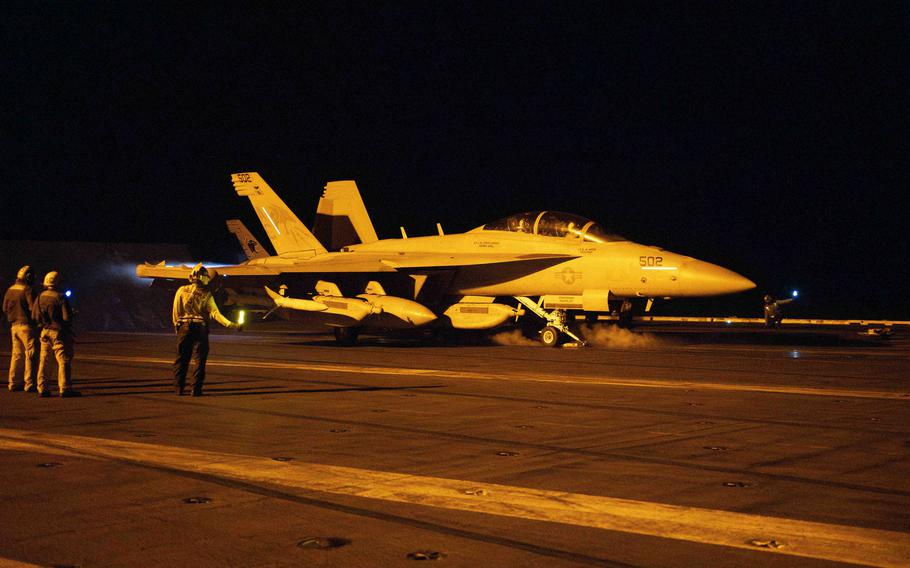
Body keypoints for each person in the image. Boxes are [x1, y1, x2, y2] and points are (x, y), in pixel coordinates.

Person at [172, 264, 241, 396]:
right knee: (200, 360)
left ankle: (178, 388)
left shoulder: (181, 290)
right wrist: (232, 325)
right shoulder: (207, 294)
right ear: (203, 278)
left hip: (184, 327)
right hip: (200, 328)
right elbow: (216, 314)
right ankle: (196, 389)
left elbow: (176, 311)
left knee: (181, 359)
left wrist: (177, 327)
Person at [32, 271, 79, 397]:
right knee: (63, 360)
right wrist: (72, 313)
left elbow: (34, 316)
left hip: (45, 332)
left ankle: (43, 388)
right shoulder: (60, 297)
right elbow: (67, 318)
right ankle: (65, 388)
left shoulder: (40, 296)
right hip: (58, 332)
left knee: (45, 360)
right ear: (58, 283)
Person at [4, 266, 37, 392]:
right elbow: (33, 309)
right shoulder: (28, 290)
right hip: (26, 326)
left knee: (16, 355)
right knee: (30, 355)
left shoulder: (10, 289)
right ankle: (29, 384)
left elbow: (4, 308)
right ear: (28, 277)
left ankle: (13, 383)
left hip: (14, 327)